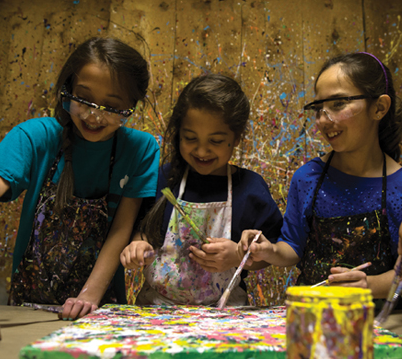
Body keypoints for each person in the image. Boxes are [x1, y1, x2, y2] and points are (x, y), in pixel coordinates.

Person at [0, 37, 160, 320]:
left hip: (98, 308)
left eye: (111, 106)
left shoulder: (141, 148)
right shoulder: (36, 135)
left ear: (131, 106)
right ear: (66, 90)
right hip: (28, 306)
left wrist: (90, 294)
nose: (93, 115)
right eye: (83, 99)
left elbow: (121, 229)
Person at [239, 52, 402, 299]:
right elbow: (292, 247)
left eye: (338, 104)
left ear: (379, 108)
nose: (323, 120)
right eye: (318, 108)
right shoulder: (308, 178)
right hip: (311, 314)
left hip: (376, 321)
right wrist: (269, 250)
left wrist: (369, 286)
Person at [120, 74, 283, 306]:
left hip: (224, 313)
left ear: (236, 138)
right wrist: (138, 246)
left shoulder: (250, 188)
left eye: (215, 141)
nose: (202, 150)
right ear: (179, 134)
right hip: (158, 310)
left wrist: (239, 256)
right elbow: (145, 230)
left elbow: (269, 253)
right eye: (190, 138)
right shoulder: (163, 178)